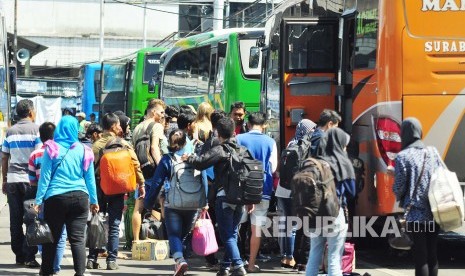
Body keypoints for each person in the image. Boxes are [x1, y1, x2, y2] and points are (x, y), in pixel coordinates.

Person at [184, 117, 254, 276]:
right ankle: (225, 267)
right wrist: (250, 200)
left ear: (218, 133)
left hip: (224, 197)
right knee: (233, 233)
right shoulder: (243, 150)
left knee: (226, 234)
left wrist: (188, 157)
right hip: (240, 199)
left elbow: (201, 162)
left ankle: (238, 265)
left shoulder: (221, 150)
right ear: (234, 131)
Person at [34, 115, 99, 276]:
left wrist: (38, 200)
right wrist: (94, 200)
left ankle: (47, 272)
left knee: (52, 239)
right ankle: (79, 273)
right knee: (77, 240)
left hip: (55, 198)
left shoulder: (52, 148)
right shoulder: (85, 149)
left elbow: (45, 177)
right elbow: (89, 178)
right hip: (80, 198)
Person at [88, 113, 145, 270]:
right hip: (118, 188)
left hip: (99, 187)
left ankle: (92, 258)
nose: (120, 127)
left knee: (96, 222)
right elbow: (135, 163)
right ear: (113, 126)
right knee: (114, 224)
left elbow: (87, 168)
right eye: (119, 124)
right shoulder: (124, 144)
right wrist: (141, 183)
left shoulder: (96, 145)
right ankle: (111, 260)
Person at [145, 129, 203, 276]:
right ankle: (180, 259)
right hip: (193, 203)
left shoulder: (166, 160)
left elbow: (157, 183)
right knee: (183, 234)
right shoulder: (194, 158)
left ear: (169, 143)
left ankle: (179, 260)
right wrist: (204, 201)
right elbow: (204, 181)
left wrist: (148, 204)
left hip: (173, 203)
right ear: (186, 142)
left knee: (174, 234)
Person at [392, 118, 441, 276]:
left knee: (421, 256)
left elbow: (399, 188)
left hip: (415, 214)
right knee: (432, 254)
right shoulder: (433, 152)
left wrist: (394, 178)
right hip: (435, 210)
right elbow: (442, 175)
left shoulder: (402, 157)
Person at [306, 128, 356, 276]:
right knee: (334, 257)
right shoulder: (343, 163)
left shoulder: (316, 161)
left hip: (314, 214)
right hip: (335, 213)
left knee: (314, 254)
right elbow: (352, 192)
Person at [1, 99, 41, 267]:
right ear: (31, 112)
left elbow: (4, 157)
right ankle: (29, 256)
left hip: (13, 181)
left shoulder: (10, 131)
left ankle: (19, 255)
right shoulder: (36, 130)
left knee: (15, 219)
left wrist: (4, 178)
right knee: (32, 218)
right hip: (30, 182)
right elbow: (39, 156)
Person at [236, 112, 278, 273]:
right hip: (263, 189)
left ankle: (237, 261)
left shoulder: (239, 139)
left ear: (248, 123)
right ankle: (252, 264)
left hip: (241, 190)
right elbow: (273, 168)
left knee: (237, 227)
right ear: (265, 125)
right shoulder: (270, 142)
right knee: (256, 229)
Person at [276, 119, 316, 272]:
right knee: (295, 226)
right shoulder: (306, 147)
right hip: (296, 190)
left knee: (287, 225)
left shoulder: (291, 144)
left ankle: (286, 256)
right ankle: (292, 257)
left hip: (282, 189)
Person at [28, 122, 67, 274]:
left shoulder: (35, 154)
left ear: (41, 136)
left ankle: (46, 265)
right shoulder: (61, 151)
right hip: (59, 195)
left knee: (42, 230)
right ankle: (55, 267)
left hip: (41, 197)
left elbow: (32, 180)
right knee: (61, 233)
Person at [131, 99, 167, 242]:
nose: (163, 116)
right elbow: (154, 148)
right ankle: (159, 239)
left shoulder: (137, 128)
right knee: (160, 205)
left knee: (138, 207)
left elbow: (133, 151)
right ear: (153, 112)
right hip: (154, 171)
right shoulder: (157, 126)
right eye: (161, 112)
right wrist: (162, 168)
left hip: (140, 172)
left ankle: (135, 240)